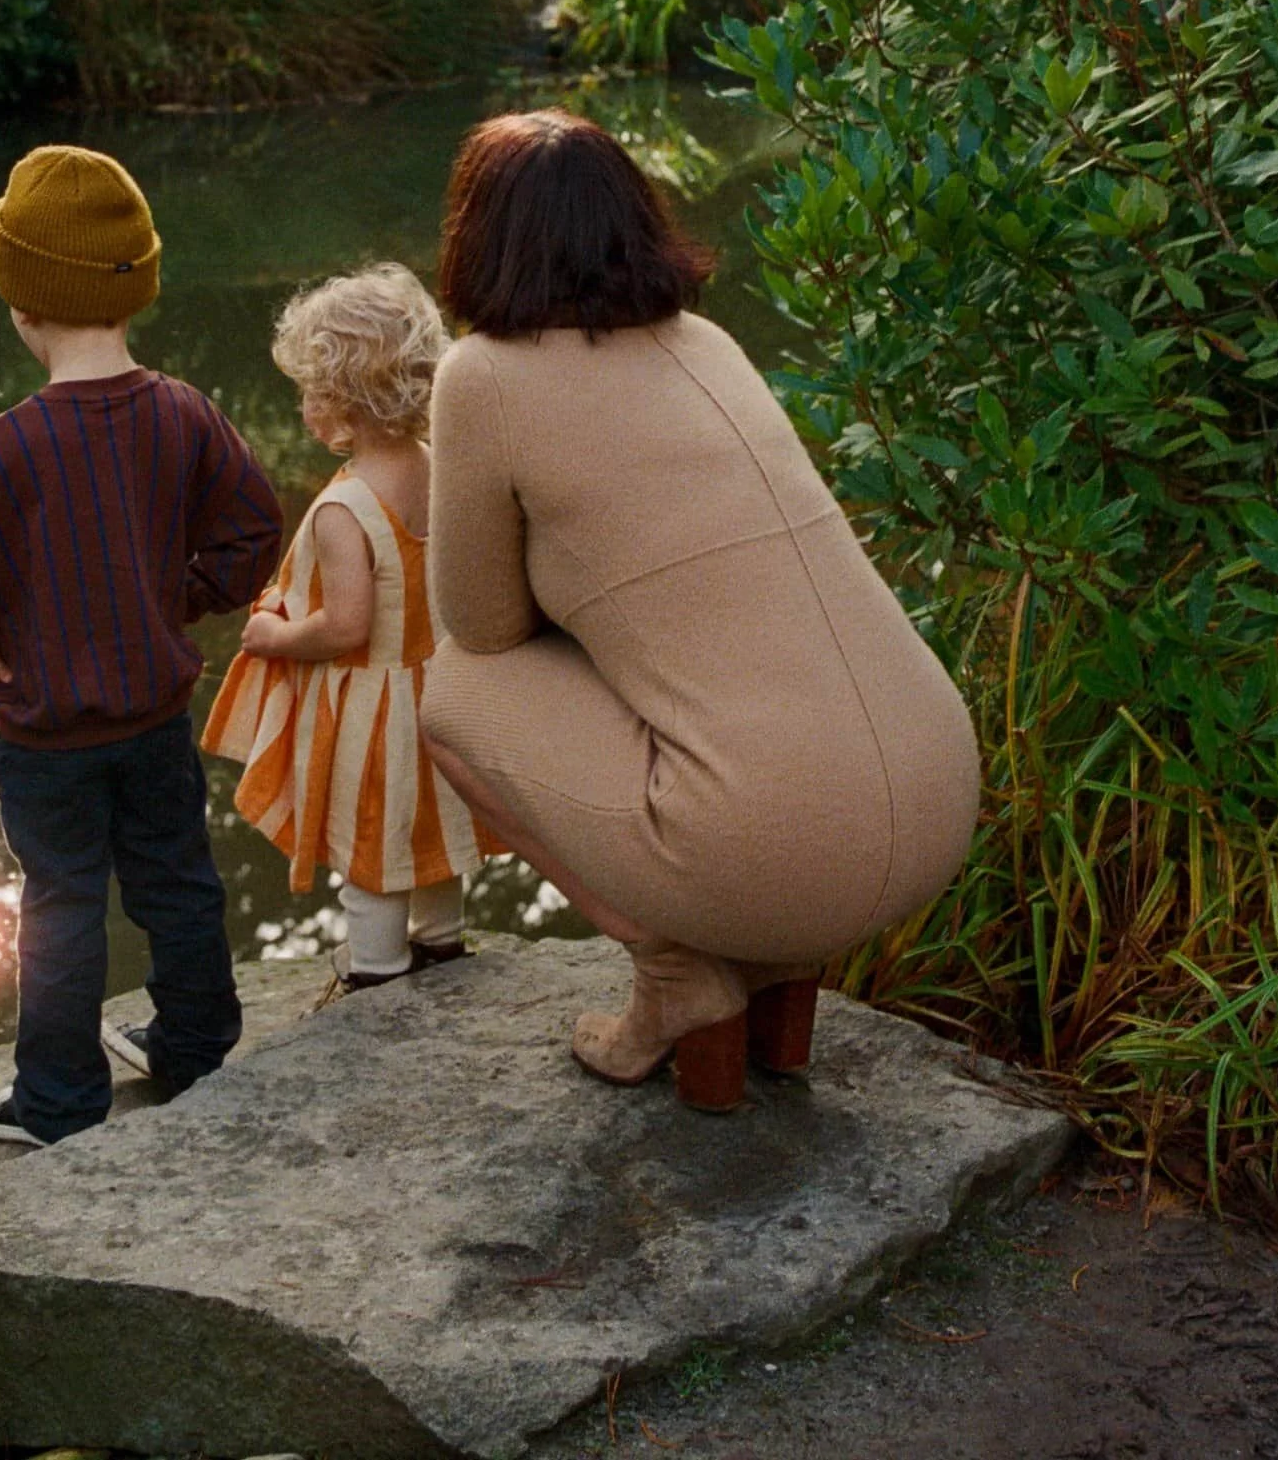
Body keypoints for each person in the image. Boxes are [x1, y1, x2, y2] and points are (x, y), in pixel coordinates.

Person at [420, 111, 981, 1112]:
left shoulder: (485, 375)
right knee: (707, 686)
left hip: (783, 839)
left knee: (453, 694)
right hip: (937, 789)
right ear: (636, 218)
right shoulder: (708, 343)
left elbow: (483, 628)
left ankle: (675, 973)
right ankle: (775, 980)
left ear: (480, 237)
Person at [0, 143, 283, 1149]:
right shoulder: (183, 413)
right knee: (178, 881)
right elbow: (252, 529)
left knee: (60, 907)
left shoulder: (4, 447)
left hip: (47, 740)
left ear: (22, 306)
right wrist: (177, 598)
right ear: (135, 290)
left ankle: (59, 1101)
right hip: (154, 720)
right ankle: (195, 1046)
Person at [202, 263, 484, 988]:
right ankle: (442, 939)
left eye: (309, 390)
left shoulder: (343, 508)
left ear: (343, 402)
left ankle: (377, 969)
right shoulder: (435, 465)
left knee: (372, 842)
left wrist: (275, 637)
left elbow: (346, 626)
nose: (303, 405)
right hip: (440, 691)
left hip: (372, 711)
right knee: (432, 820)